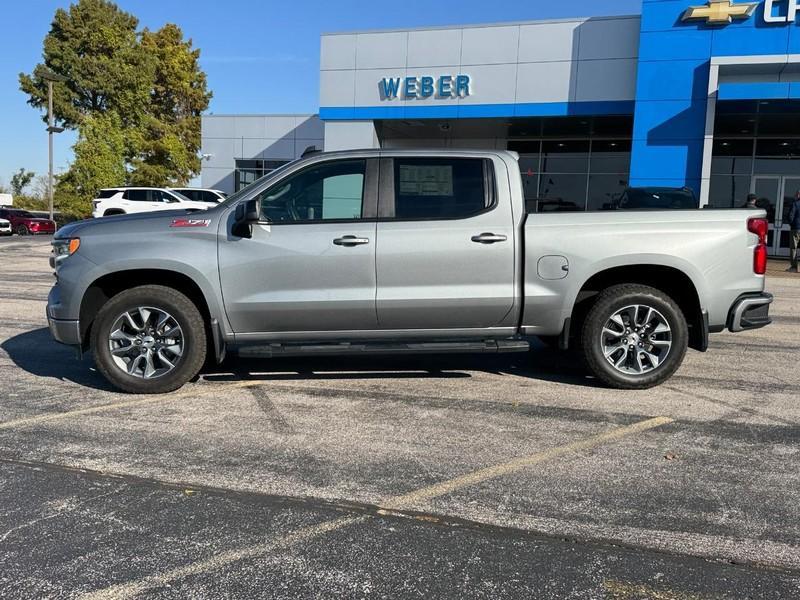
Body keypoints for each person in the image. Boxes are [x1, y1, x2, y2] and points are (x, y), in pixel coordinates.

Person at [789, 190, 800, 273]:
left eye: (796, 194)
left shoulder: (795, 204)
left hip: (796, 228)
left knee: (794, 248)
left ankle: (794, 267)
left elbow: (791, 216)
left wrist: (791, 224)